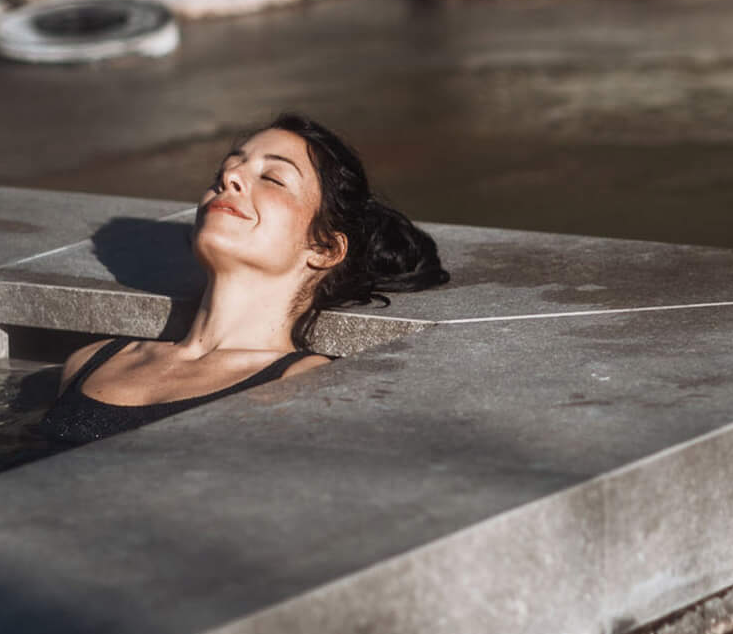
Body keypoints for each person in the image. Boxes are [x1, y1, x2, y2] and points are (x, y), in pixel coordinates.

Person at [39, 112, 448, 449]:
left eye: (272, 178)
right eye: (228, 168)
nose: (229, 179)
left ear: (323, 248)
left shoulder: (301, 385)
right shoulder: (89, 362)